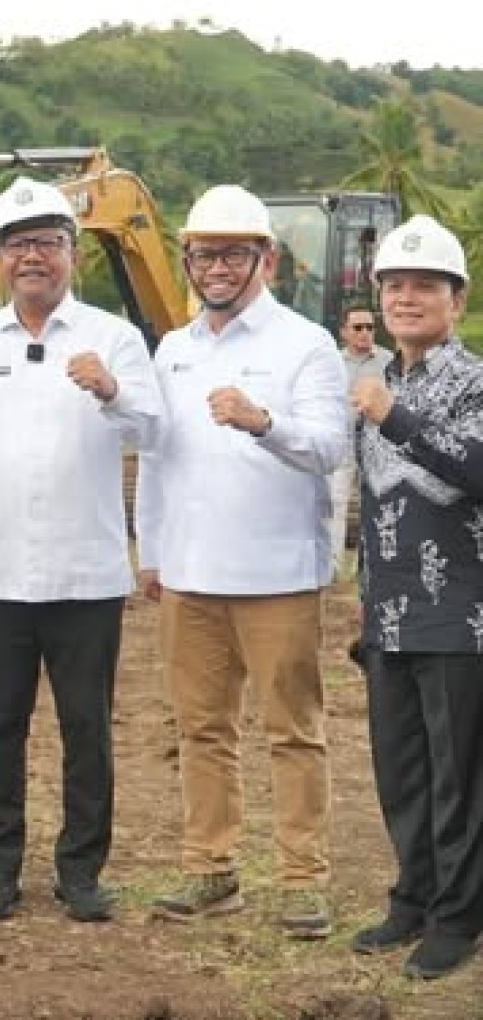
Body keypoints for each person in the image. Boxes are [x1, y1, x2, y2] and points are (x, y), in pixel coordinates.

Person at [0, 178, 162, 923]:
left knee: (86, 731)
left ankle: (81, 871)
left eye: (50, 242)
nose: (35, 256)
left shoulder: (115, 339)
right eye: (20, 243)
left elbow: (157, 435)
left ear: (74, 255)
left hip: (86, 577)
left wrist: (113, 390)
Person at [136, 184, 348, 938]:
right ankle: (211, 869)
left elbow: (330, 446)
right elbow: (157, 460)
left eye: (233, 252)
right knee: (202, 729)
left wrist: (264, 422)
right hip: (191, 577)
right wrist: (152, 552)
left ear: (268, 258)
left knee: (293, 731)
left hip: (278, 578)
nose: (216, 267)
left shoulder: (306, 344)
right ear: (187, 259)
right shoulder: (176, 348)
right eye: (203, 253)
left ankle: (302, 879)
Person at [348, 215, 483, 981]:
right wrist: (365, 601)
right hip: (390, 610)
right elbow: (373, 504)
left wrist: (394, 418)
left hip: (462, 613)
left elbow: (478, 467)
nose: (405, 297)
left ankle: (460, 917)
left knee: (458, 772)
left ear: (454, 301)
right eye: (394, 285)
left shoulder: (475, 381)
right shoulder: (382, 380)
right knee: (400, 767)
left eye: (423, 286)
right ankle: (414, 896)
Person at [328, 306, 394, 570]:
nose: (365, 333)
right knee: (336, 502)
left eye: (370, 327)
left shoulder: (390, 361)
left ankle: (368, 565)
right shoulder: (331, 363)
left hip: (378, 445)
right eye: (358, 327)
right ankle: (332, 565)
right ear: (344, 331)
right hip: (341, 444)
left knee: (377, 503)